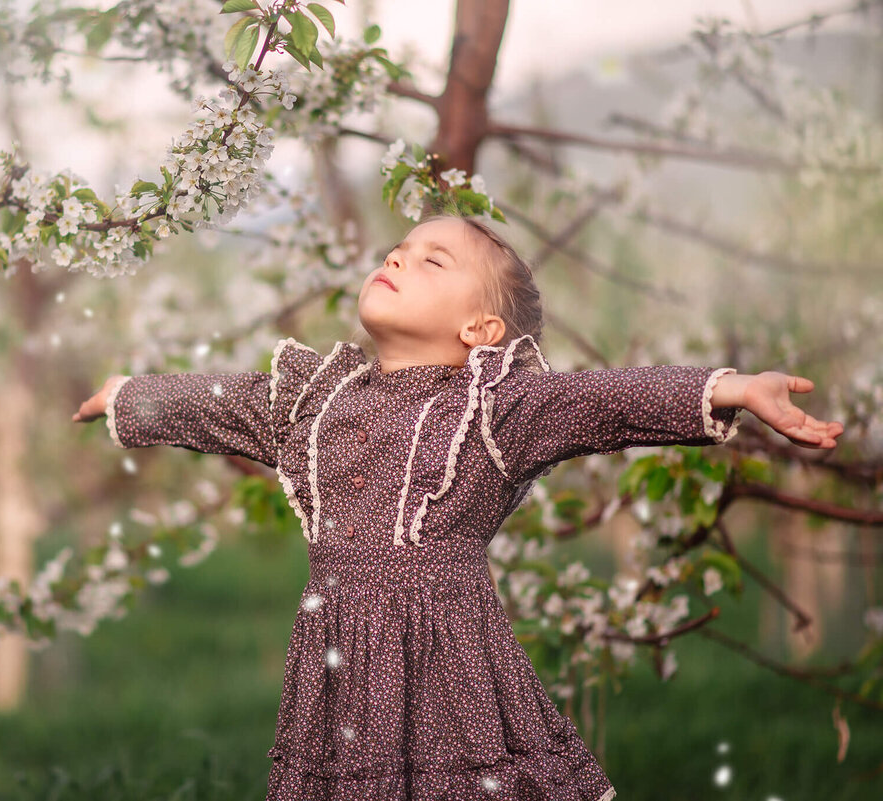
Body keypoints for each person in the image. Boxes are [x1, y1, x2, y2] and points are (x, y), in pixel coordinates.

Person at [72, 213, 843, 801]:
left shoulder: (493, 410)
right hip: (337, 658)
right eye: (397, 250)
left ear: (481, 328)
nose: (398, 258)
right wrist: (132, 397)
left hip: (450, 658)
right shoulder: (315, 400)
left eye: (431, 259)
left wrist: (729, 388)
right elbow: (224, 401)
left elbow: (600, 400)